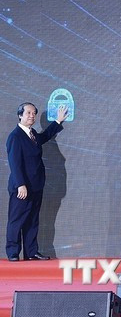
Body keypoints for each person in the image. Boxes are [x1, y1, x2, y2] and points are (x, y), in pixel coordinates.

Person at [6, 102, 69, 261]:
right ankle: (13, 253)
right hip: (22, 187)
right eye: (28, 113)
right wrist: (21, 184)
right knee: (17, 221)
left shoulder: (32, 133)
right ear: (20, 115)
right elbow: (15, 163)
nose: (32, 116)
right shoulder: (15, 136)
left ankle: (31, 252)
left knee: (33, 220)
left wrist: (58, 122)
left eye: (34, 113)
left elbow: (45, 136)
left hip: (36, 185)